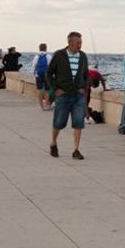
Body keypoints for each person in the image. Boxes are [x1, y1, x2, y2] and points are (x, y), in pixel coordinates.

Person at [46, 31, 88, 159]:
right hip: (63, 95)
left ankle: (76, 150)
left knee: (78, 122)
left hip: (78, 95)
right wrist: (56, 89)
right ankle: (53, 142)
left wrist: (84, 89)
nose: (80, 45)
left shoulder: (83, 56)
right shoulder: (59, 55)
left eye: (81, 43)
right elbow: (49, 73)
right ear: (70, 43)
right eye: (77, 43)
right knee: (59, 122)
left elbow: (86, 75)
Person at [30, 43, 52, 110]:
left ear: (39, 48)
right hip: (46, 75)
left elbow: (33, 66)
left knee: (39, 90)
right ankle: (46, 105)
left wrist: (34, 74)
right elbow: (51, 66)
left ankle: (41, 106)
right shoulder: (48, 56)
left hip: (38, 75)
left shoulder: (36, 57)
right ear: (46, 48)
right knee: (47, 90)